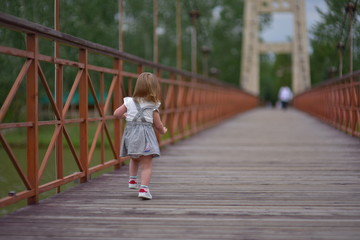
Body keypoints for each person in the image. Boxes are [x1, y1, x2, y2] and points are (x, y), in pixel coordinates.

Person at [114, 72, 167, 200]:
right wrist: (163, 130)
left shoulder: (129, 101)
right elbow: (157, 124)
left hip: (131, 134)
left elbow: (116, 114)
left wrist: (126, 115)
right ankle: (144, 189)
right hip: (145, 136)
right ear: (154, 88)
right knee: (146, 163)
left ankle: (132, 180)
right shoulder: (153, 105)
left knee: (134, 157)